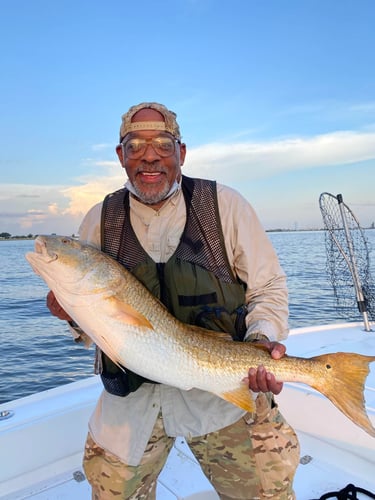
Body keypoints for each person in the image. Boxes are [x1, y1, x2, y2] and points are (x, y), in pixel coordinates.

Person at [47, 102, 300, 500]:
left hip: (224, 393)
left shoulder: (225, 206)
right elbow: (95, 324)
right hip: (133, 402)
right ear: (121, 156)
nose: (150, 156)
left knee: (267, 492)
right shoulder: (99, 220)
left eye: (163, 144)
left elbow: (269, 288)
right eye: (135, 146)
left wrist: (262, 338)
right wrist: (73, 316)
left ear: (181, 152)